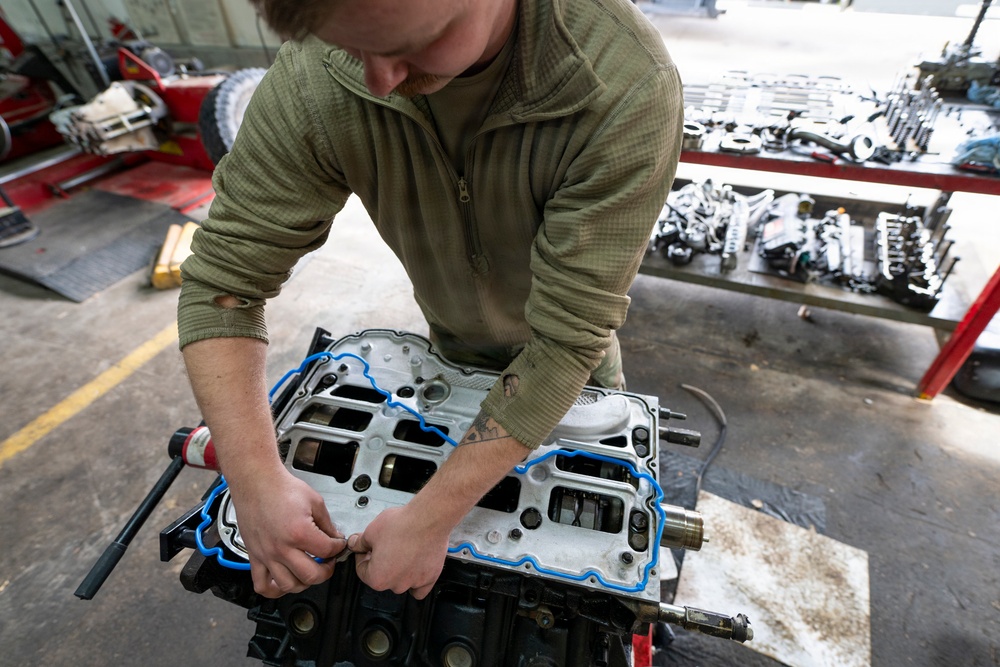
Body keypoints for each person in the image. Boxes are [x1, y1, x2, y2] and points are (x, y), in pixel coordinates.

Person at [178, 0, 683, 601]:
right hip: (445, 347)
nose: (378, 82)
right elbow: (223, 285)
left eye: (413, 43)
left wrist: (431, 520)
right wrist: (254, 480)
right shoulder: (316, 73)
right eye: (349, 46)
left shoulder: (625, 86)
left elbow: (565, 342)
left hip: (575, 371)